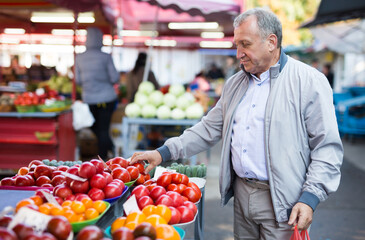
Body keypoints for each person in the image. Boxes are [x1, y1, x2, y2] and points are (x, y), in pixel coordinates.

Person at [130, 8, 343, 239]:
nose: (239, 53)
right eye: (237, 45)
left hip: (286, 202)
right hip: (242, 197)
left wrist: (310, 197)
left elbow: (327, 147)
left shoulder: (308, 81)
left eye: (246, 44)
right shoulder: (235, 84)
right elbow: (208, 128)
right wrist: (163, 152)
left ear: (271, 42)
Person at [75, 27, 119, 160]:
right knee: (104, 129)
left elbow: (77, 80)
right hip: (107, 98)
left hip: (89, 99)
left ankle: (107, 151)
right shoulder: (106, 57)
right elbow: (115, 78)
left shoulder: (79, 58)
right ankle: (105, 157)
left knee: (94, 127)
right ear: (100, 40)